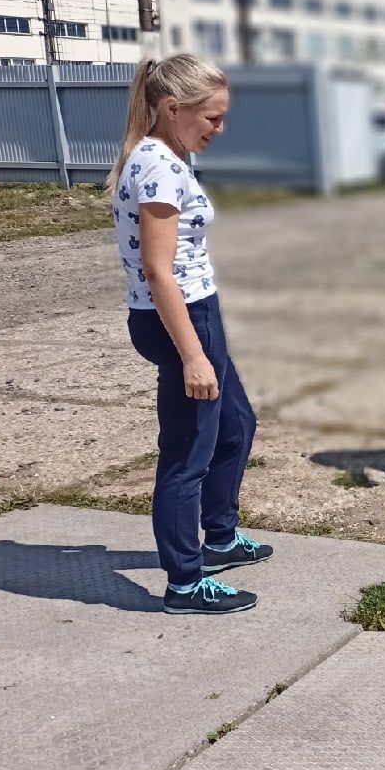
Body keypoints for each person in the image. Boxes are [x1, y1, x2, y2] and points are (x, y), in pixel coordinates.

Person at [108, 55, 271, 616]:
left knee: (236, 426)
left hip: (194, 311)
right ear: (173, 109)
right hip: (178, 319)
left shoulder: (169, 156)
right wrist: (194, 356)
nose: (218, 129)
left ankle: (220, 540)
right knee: (186, 456)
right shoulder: (157, 165)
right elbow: (159, 271)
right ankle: (183, 582)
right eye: (212, 118)